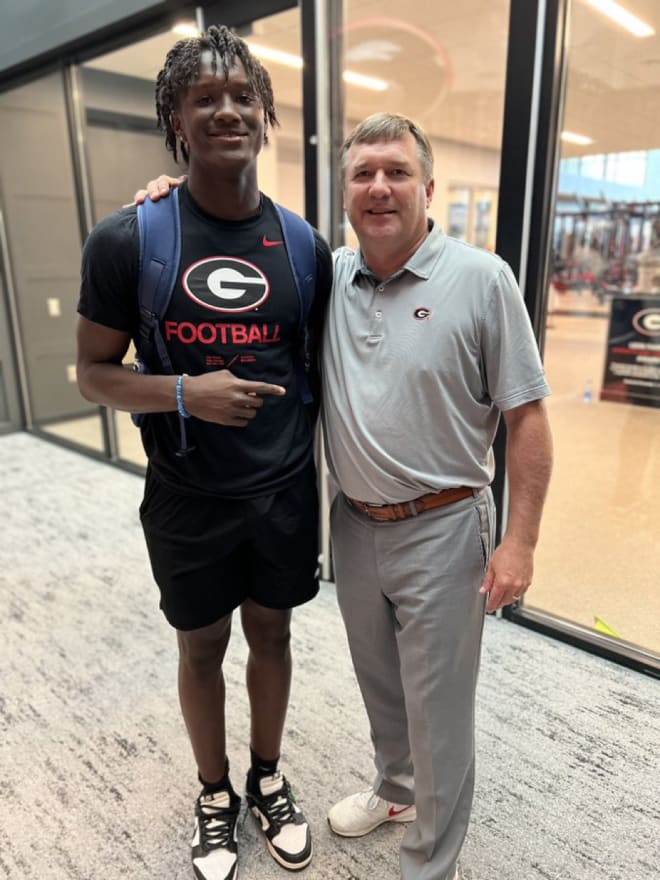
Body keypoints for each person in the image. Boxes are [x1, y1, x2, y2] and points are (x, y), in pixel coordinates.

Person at [136, 112, 553, 880]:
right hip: (354, 524)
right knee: (379, 681)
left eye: (396, 172)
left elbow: (526, 417)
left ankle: (428, 864)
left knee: (440, 710)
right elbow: (232, 252)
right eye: (363, 175)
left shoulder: (482, 279)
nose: (380, 187)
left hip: (446, 525)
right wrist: (175, 199)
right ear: (346, 196)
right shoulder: (329, 275)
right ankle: (396, 790)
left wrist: (520, 541)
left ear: (429, 188)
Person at [76, 26, 331, 880]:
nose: (227, 109)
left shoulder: (303, 246)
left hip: (285, 491)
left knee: (274, 636)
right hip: (187, 492)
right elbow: (92, 375)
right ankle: (215, 792)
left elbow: (321, 364)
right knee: (200, 648)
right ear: (176, 121)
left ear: (264, 113)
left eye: (241, 95)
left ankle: (266, 775)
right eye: (203, 97)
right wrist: (188, 392)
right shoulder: (130, 239)